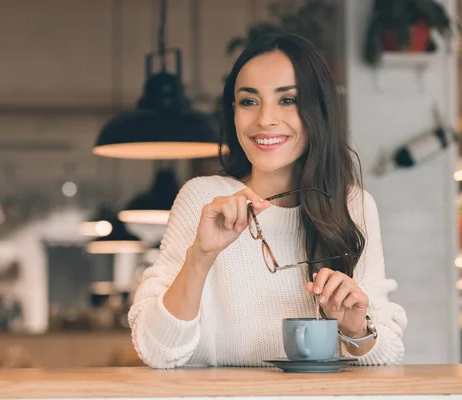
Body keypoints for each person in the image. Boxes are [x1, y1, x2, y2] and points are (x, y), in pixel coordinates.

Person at [129, 33, 407, 369]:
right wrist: (200, 258)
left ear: (317, 110)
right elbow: (157, 352)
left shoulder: (353, 205)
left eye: (287, 100)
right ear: (233, 112)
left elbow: (389, 354)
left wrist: (355, 328)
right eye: (249, 101)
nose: (265, 119)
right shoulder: (204, 199)